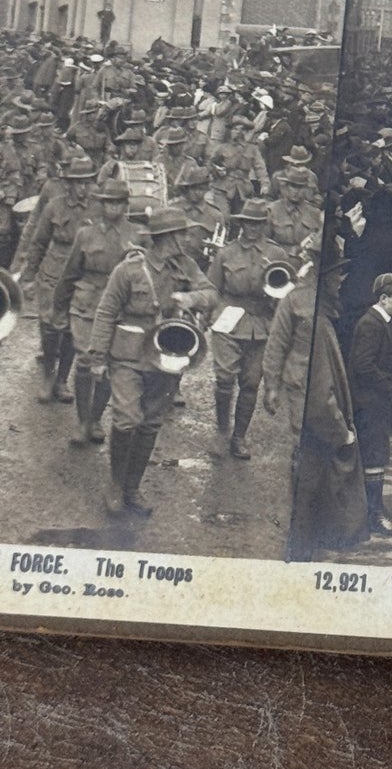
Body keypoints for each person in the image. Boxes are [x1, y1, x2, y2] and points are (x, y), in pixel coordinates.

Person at [89, 206, 217, 516]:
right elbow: (106, 313)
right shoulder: (129, 270)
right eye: (182, 234)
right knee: (126, 419)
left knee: (149, 424)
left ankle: (133, 487)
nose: (188, 239)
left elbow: (212, 293)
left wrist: (192, 298)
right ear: (167, 238)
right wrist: (97, 357)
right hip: (129, 356)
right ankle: (116, 486)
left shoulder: (186, 266)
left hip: (167, 354)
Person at [271, 244, 368, 560]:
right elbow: (278, 346)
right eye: (337, 273)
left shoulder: (325, 308)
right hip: (306, 399)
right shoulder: (305, 307)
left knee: (311, 475)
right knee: (308, 476)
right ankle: (299, 551)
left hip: (307, 395)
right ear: (323, 276)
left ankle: (304, 546)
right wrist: (342, 432)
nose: (342, 278)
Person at [50, 177, 136, 446]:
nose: (113, 208)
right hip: (87, 305)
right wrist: (59, 308)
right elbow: (69, 273)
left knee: (111, 364)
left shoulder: (136, 235)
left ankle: (97, 417)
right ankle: (82, 421)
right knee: (86, 362)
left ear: (125, 205)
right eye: (109, 203)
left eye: (119, 203)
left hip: (119, 309)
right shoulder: (86, 234)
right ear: (102, 204)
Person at [207, 197, 289, 460]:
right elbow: (212, 289)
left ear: (265, 224)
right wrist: (208, 316)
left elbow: (286, 294)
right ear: (241, 224)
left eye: (258, 224)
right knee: (224, 379)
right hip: (229, 318)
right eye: (248, 224)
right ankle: (222, 432)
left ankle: (239, 437)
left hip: (262, 321)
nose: (253, 229)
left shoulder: (277, 254)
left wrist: (271, 280)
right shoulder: (226, 253)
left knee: (251, 382)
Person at [20, 151, 98, 404]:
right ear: (69, 183)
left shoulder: (98, 208)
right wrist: (29, 276)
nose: (84, 188)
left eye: (88, 182)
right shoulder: (55, 206)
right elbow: (39, 242)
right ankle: (48, 377)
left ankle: (63, 380)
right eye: (79, 183)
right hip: (53, 273)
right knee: (50, 327)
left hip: (82, 275)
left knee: (73, 330)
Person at [348, 272, 392, 535]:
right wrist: (386, 382)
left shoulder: (384, 320)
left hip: (376, 400)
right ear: (383, 299)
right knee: (374, 455)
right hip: (369, 401)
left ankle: (374, 509)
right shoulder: (371, 324)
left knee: (378, 454)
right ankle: (374, 513)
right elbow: (362, 364)